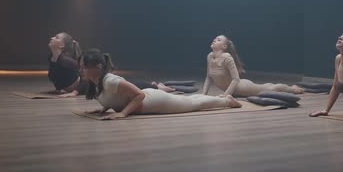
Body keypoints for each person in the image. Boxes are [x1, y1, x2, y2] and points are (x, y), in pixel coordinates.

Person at [81, 49, 242, 120]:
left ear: (98, 67)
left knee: (193, 103)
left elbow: (140, 95)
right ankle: (224, 99)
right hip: (150, 101)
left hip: (154, 101)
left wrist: (123, 114)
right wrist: (103, 108)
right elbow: (113, 98)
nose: (81, 69)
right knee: (191, 100)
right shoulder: (96, 83)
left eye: (84, 66)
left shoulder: (110, 80)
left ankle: (227, 101)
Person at [203, 35, 304, 97]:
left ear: (224, 46)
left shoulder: (227, 57)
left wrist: (226, 95)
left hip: (242, 87)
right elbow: (209, 77)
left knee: (270, 89)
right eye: (215, 38)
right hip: (232, 91)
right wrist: (204, 94)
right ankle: (290, 88)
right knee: (267, 86)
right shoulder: (209, 56)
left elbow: (236, 79)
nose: (215, 39)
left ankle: (292, 89)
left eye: (218, 39)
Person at [47, 32, 87, 98]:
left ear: (62, 45)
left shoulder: (65, 60)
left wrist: (75, 92)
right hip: (69, 88)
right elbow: (54, 75)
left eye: (56, 37)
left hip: (85, 87)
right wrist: (58, 89)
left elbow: (86, 76)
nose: (52, 38)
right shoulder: (50, 57)